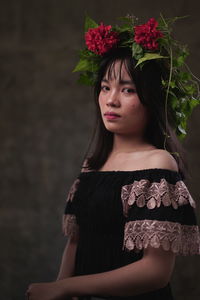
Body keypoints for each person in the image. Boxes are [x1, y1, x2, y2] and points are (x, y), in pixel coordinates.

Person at [26, 15, 200, 300]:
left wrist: (64, 287)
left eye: (127, 89)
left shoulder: (157, 165)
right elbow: (76, 244)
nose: (111, 99)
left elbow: (155, 272)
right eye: (106, 87)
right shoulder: (93, 165)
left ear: (151, 97)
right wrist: (59, 289)